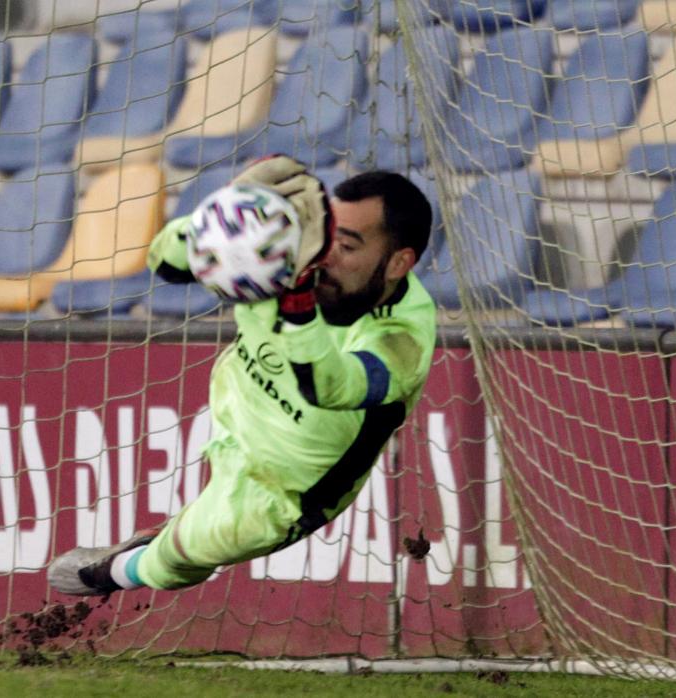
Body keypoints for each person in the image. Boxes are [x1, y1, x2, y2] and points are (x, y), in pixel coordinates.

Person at [48, 156, 437, 595]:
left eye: (346, 248)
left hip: (283, 492)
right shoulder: (290, 246)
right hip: (238, 405)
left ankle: (115, 571)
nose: (325, 255)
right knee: (190, 541)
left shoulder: (403, 339)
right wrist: (225, 212)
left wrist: (296, 303)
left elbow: (328, 387)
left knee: (179, 557)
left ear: (398, 263)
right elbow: (166, 263)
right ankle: (159, 543)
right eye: (328, 235)